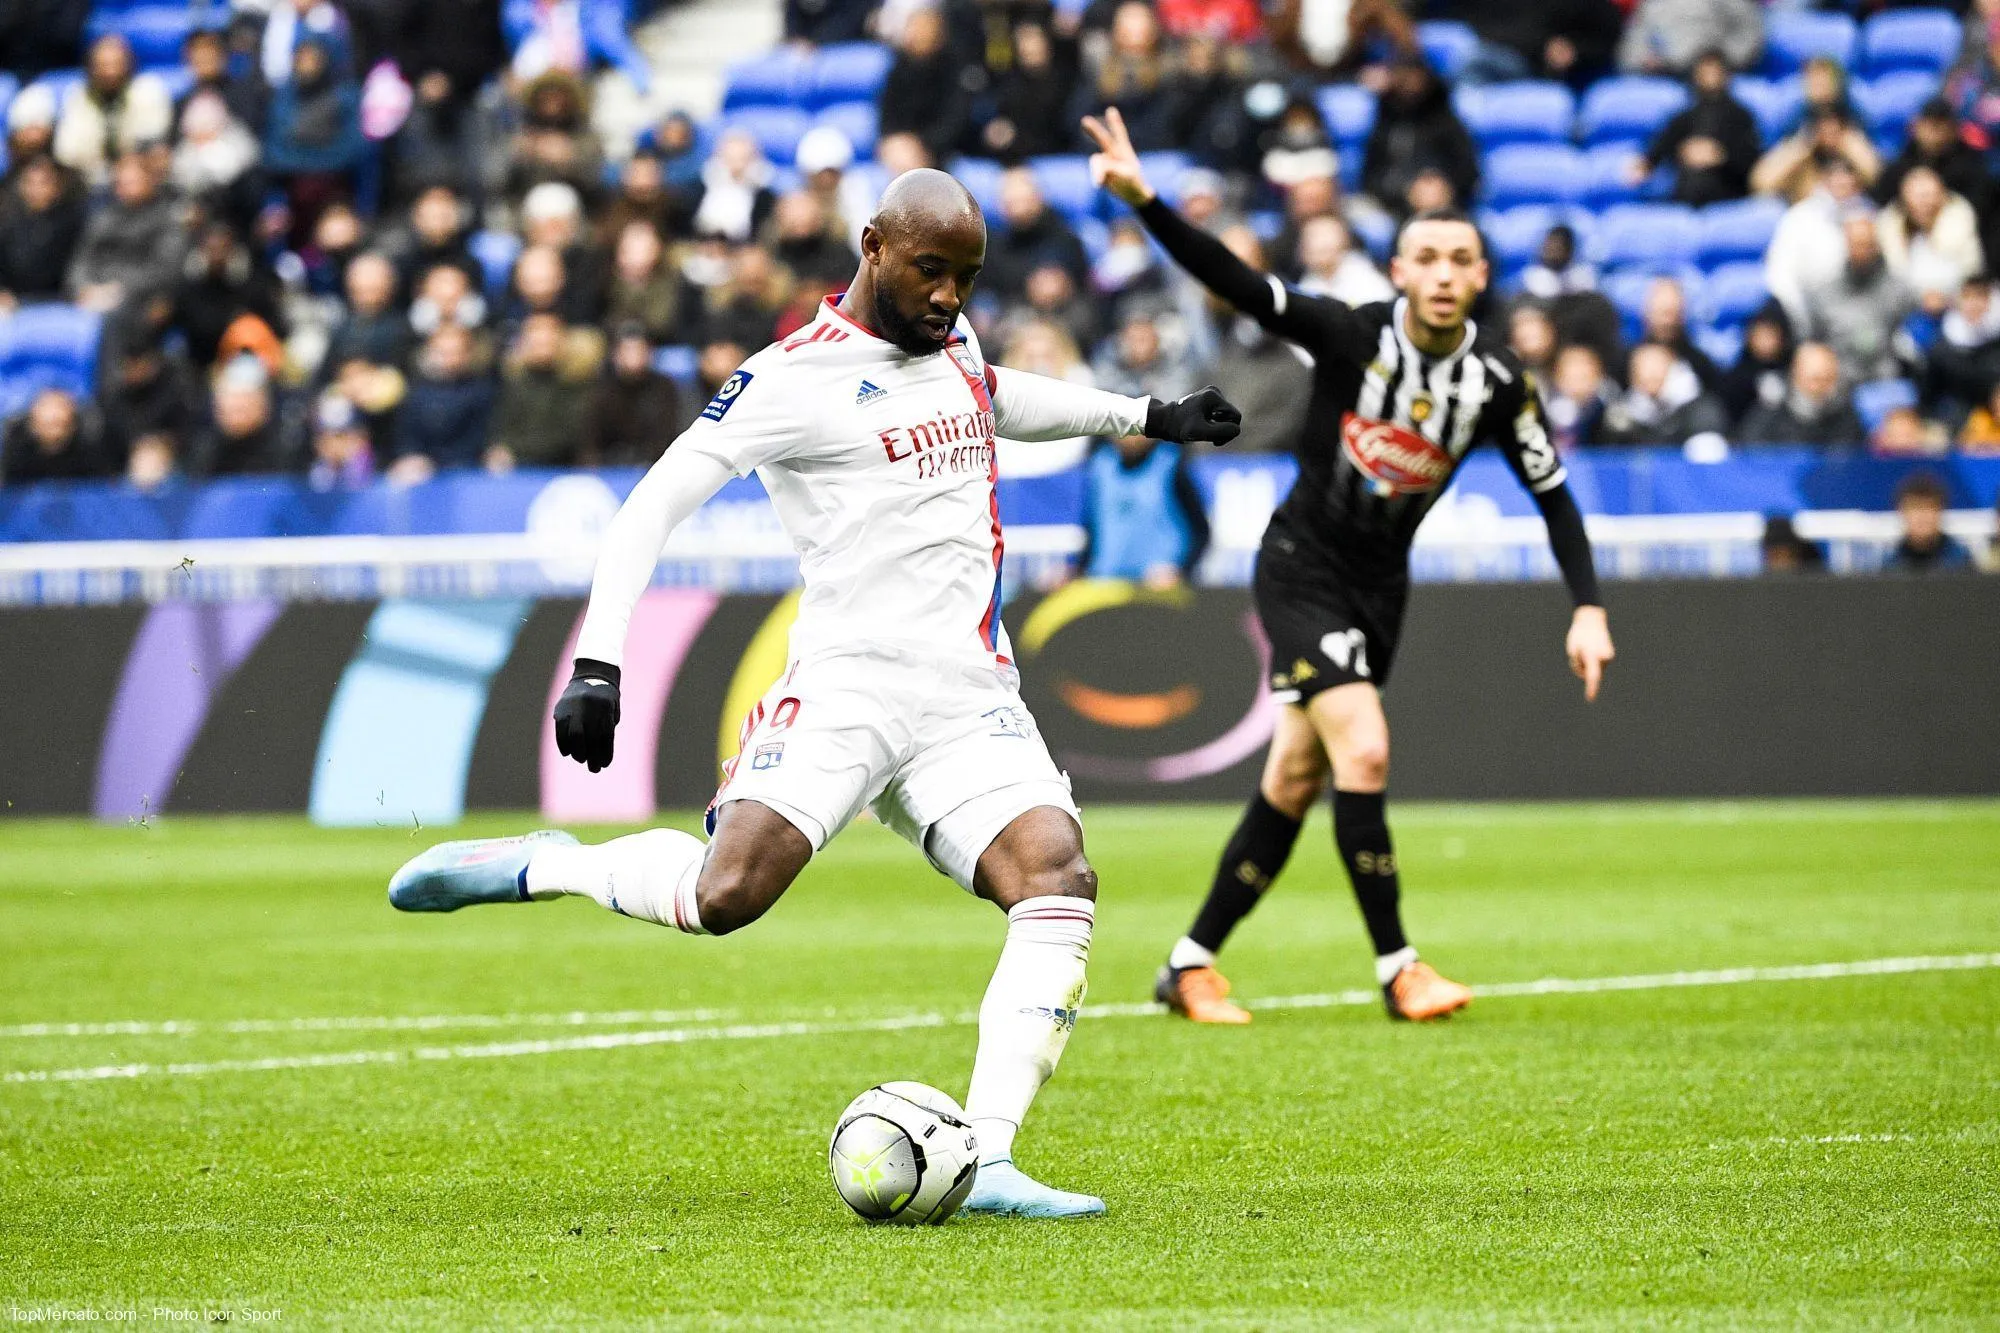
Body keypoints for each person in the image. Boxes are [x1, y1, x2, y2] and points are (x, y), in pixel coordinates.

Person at [384, 169, 1244, 1219]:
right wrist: (597, 664)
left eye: (965, 278)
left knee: (1056, 878)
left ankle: (991, 1156)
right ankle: (552, 864)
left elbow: (1000, 394)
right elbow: (649, 508)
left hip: (968, 695)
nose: (949, 297)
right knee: (725, 896)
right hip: (845, 691)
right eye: (931, 270)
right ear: (873, 245)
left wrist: (1146, 414)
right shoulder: (789, 379)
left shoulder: (954, 345)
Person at [1085, 107, 1612, 1024]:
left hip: (1381, 590)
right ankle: (1399, 966)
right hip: (1300, 566)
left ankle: (1190, 963)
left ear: (1481, 278)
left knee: (1295, 776)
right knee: (1363, 745)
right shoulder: (1348, 333)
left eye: (1462, 261)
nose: (1444, 276)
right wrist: (1148, 201)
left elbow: (1554, 491)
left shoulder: (1496, 384)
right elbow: (1238, 282)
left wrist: (1588, 606)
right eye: (1428, 259)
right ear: (1399, 271)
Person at [1632, 48, 1760, 206]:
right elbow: (1660, 147)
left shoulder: (1741, 115)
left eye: (1715, 71)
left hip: (1727, 189)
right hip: (1686, 190)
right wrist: (1677, 153)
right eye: (1705, 72)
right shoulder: (1685, 116)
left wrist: (1720, 155)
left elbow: (1752, 159)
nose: (1710, 77)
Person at [1077, 431, 1211, 583]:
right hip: (1106, 585)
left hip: (1157, 588)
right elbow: (1094, 529)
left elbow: (1200, 532)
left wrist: (1180, 570)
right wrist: (1077, 572)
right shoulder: (1100, 466)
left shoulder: (1171, 464)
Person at [1739, 341, 1866, 445]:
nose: (1820, 387)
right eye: (1815, 379)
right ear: (1796, 376)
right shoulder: (1769, 415)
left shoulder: (1846, 416)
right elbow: (1752, 457)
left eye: (1828, 379)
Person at [0, 388, 105, 482]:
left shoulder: (88, 454)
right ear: (33, 425)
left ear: (72, 425)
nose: (54, 433)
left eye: (59, 424)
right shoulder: (16, 454)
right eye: (48, 425)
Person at [1886, 472, 1971, 572]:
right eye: (1915, 508)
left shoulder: (1961, 562)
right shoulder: (1890, 566)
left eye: (1929, 508)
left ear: (1940, 511)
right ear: (1902, 512)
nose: (1922, 517)